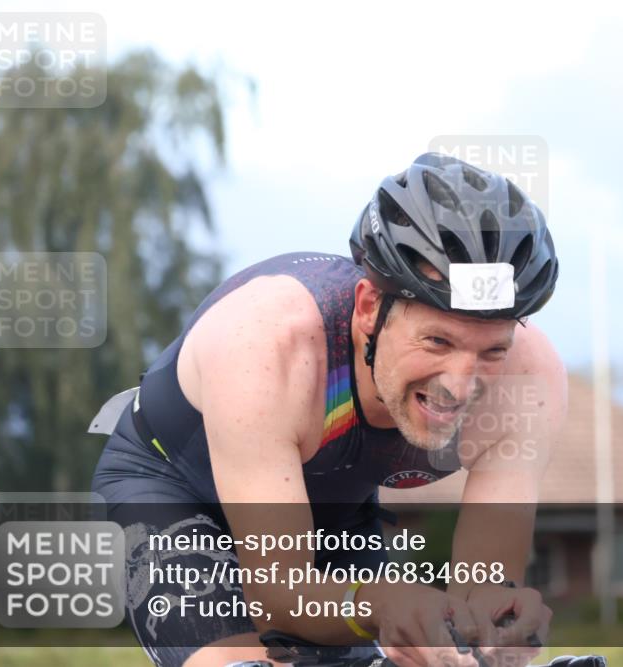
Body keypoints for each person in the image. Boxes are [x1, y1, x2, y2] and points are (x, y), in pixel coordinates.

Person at [91, 152, 567, 667]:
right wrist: (380, 603)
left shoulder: (528, 379)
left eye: (492, 350)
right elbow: (279, 599)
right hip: (170, 487)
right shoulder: (268, 343)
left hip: (331, 509)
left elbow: (483, 586)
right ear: (368, 309)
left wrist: (497, 622)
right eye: (437, 341)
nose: (459, 384)